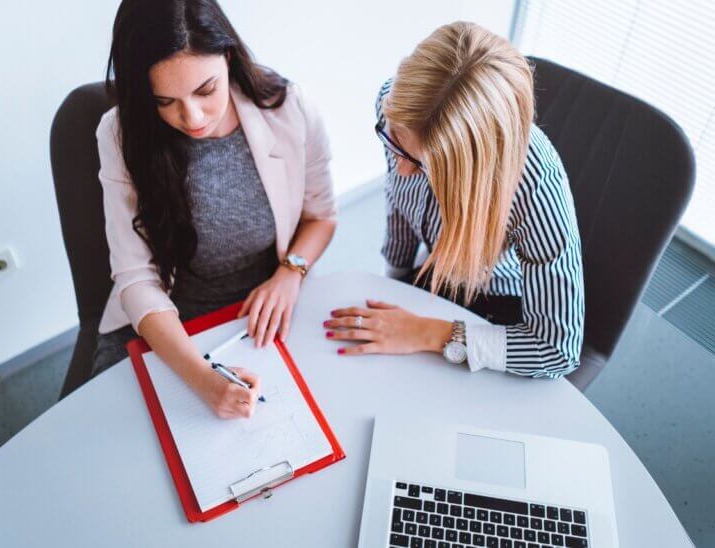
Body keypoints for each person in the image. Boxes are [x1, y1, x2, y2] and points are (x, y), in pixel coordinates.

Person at [93, 0, 336, 418]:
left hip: (263, 305)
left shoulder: (289, 107)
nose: (192, 117)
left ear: (228, 55)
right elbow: (135, 278)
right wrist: (201, 378)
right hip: (166, 317)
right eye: (165, 101)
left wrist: (290, 273)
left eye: (205, 90)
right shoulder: (119, 134)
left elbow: (321, 216)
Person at [324, 22, 584, 378]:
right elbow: (399, 201)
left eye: (421, 163)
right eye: (394, 143)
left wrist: (426, 332)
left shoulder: (536, 184)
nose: (400, 170)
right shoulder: (398, 110)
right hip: (431, 274)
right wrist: (393, 280)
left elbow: (556, 352)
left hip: (493, 299)